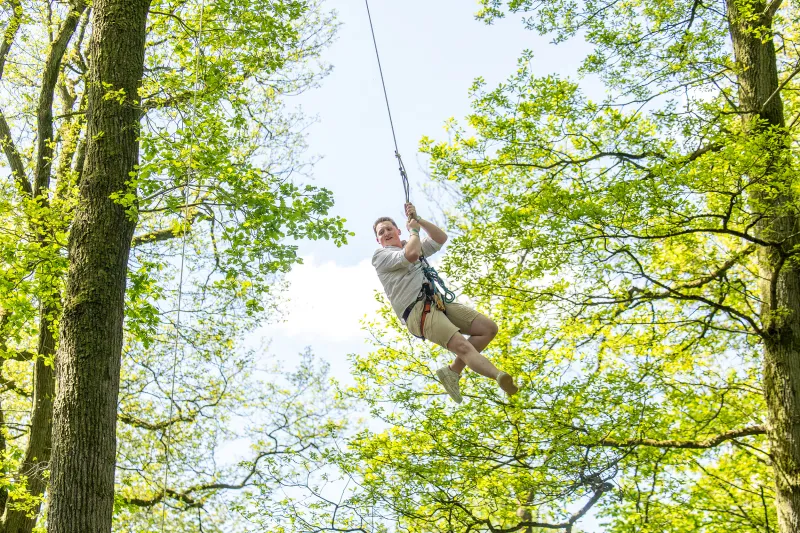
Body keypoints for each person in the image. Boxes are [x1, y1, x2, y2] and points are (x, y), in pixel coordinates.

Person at [372, 202, 519, 403]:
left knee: (487, 329)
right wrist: (414, 230)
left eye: (389, 228)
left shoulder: (412, 243)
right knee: (462, 346)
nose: (386, 233)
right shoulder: (381, 256)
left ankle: (453, 371)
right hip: (417, 312)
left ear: (398, 231)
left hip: (435, 301)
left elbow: (440, 238)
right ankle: (499, 375)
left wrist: (419, 220)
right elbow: (411, 254)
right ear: (378, 240)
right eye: (382, 232)